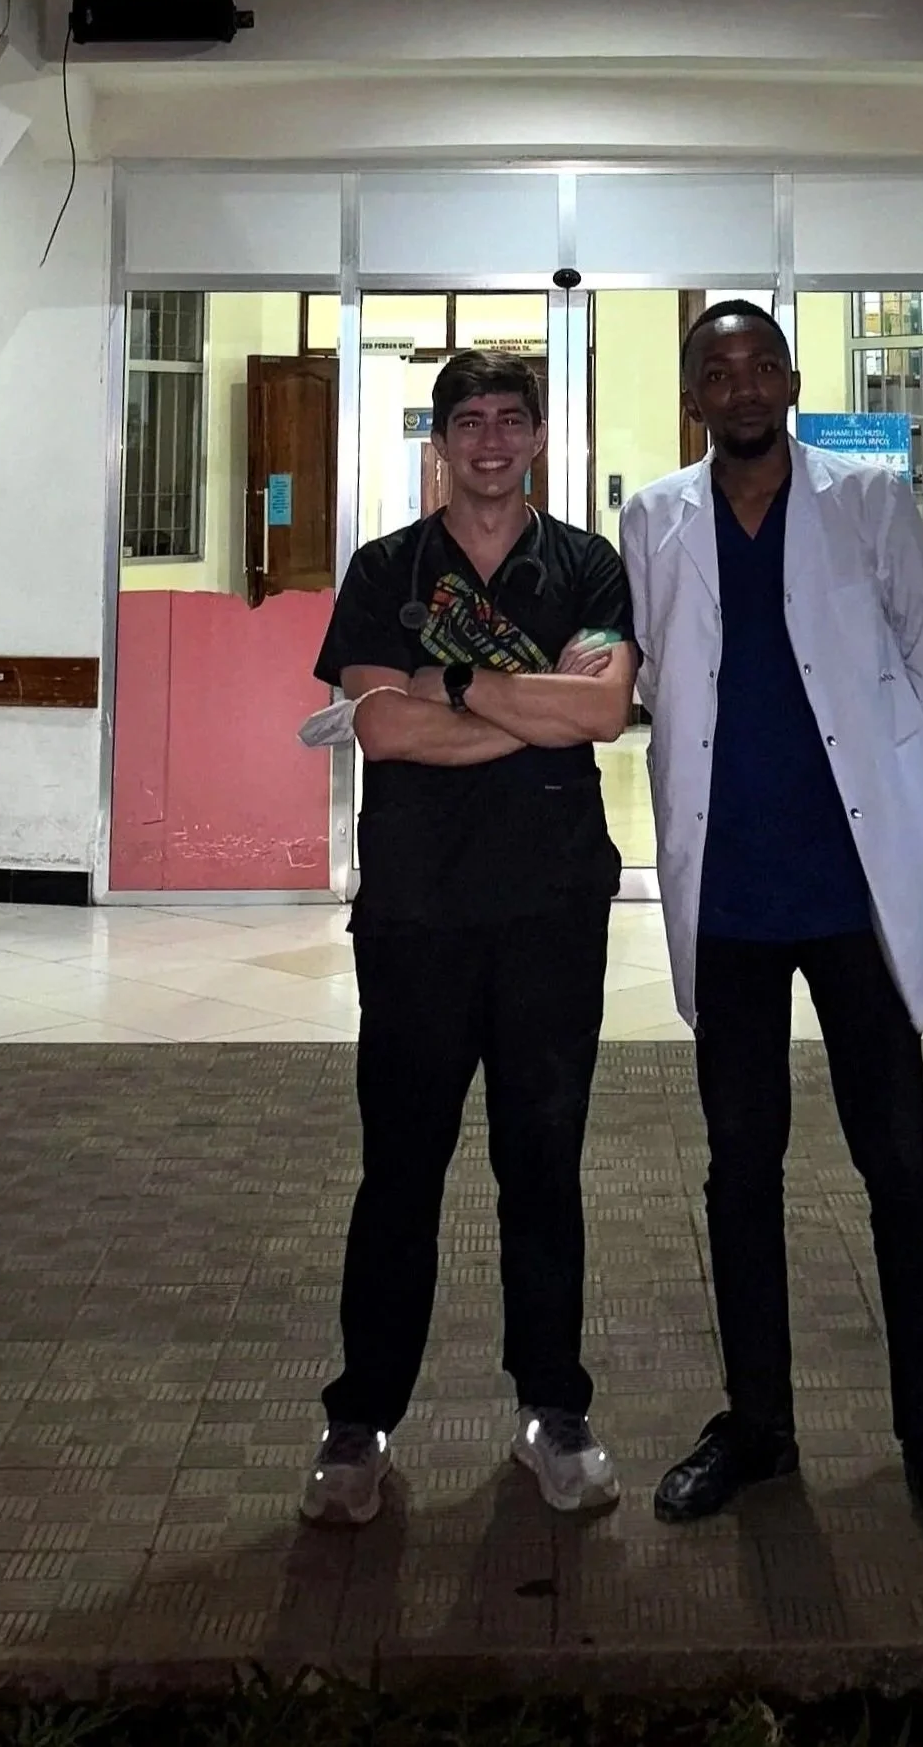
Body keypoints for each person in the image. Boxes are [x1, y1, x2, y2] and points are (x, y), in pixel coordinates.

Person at [620, 301, 923, 1559]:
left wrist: (859, 759)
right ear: (690, 395)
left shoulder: (866, 498)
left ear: (788, 379)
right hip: (727, 898)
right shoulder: (654, 521)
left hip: (853, 899)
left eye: (754, 365)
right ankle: (760, 1426)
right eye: (711, 370)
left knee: (898, 1168)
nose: (737, 387)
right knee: (740, 1173)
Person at [302, 347, 638, 1527]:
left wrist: (442, 690)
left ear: (538, 437)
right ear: (437, 440)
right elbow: (381, 738)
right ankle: (358, 1424)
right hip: (414, 917)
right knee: (399, 1172)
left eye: (510, 419)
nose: (489, 440)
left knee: (541, 1170)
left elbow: (600, 709)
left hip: (550, 913)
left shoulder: (588, 564)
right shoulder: (385, 569)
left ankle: (553, 1410)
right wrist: (520, 705)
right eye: (467, 421)